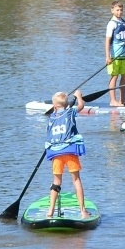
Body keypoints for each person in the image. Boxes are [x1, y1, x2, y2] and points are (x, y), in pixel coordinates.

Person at [43, 89, 88, 219]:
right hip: (70, 152)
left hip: (56, 153)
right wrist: (79, 96)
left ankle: (50, 211)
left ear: (55, 106)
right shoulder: (70, 112)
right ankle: (83, 211)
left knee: (56, 181)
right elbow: (81, 106)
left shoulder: (51, 117)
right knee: (76, 179)